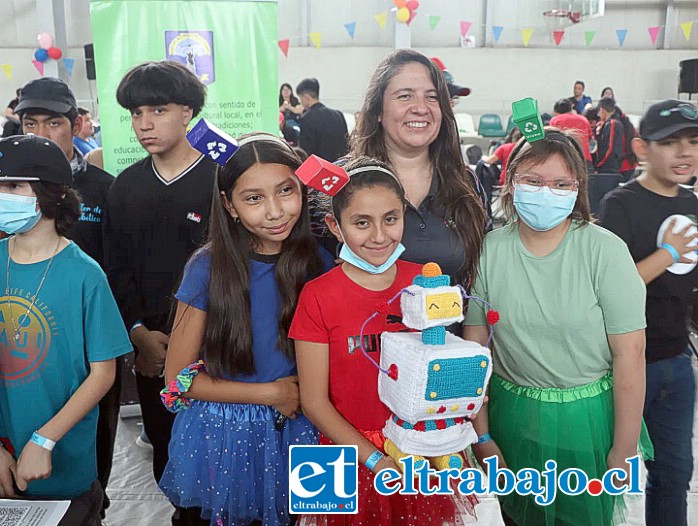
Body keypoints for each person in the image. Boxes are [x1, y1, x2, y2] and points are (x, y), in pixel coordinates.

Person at [464, 128, 651, 526]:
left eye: (560, 184)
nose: (545, 192)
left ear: (578, 188)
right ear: (510, 182)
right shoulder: (489, 251)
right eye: (532, 180)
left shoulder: (604, 251)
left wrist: (624, 448)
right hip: (511, 417)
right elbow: (475, 350)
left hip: (587, 422)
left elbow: (630, 355)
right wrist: (482, 437)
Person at [291, 156, 477, 525]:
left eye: (390, 219)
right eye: (361, 223)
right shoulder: (317, 295)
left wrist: (463, 394)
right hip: (341, 450)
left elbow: (440, 366)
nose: (379, 236)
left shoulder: (425, 284)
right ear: (335, 226)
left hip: (418, 449)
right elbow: (313, 402)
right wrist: (376, 461)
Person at [158, 133, 332, 526]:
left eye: (286, 191)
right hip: (227, 434)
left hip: (311, 427)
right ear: (229, 205)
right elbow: (176, 381)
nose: (275, 211)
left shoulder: (320, 262)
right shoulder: (206, 268)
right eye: (254, 198)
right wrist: (271, 394)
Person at [104, 60, 216, 525]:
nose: (144, 124)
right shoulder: (124, 187)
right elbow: (116, 268)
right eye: (135, 114)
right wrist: (138, 334)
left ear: (187, 112)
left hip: (219, 350)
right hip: (154, 350)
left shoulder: (220, 180)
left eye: (158, 110)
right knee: (169, 452)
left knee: (224, 454)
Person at [0, 135, 131, 525]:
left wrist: (45, 439)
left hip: (65, 466)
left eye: (12, 186)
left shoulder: (85, 275)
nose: (2, 195)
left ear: (48, 195)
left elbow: (103, 373)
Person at [598, 99, 698, 526]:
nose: (684, 153)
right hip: (626, 365)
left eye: (693, 142)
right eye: (670, 143)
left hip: (677, 362)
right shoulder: (620, 206)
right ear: (640, 149)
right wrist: (667, 253)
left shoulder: (693, 204)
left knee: (675, 473)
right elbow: (609, 288)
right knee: (609, 472)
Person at [350, 48, 487, 286]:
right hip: (365, 323)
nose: (421, 108)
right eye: (405, 96)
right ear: (378, 111)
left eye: (432, 97)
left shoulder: (466, 183)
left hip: (449, 323)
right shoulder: (345, 182)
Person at [296, 78, 348, 162]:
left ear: (306, 97)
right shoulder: (338, 114)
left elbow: (306, 152)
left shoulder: (306, 119)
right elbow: (346, 145)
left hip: (321, 170)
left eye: (300, 98)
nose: (300, 102)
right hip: (342, 167)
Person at [550, 97, 594, 172]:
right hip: (585, 160)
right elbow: (590, 139)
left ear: (556, 111)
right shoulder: (584, 119)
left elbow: (552, 141)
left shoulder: (555, 120)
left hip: (565, 159)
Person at [595, 97, 624, 175]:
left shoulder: (612, 124)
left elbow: (610, 147)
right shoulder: (610, 123)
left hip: (609, 166)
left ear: (602, 109)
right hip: (609, 165)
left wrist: (600, 163)